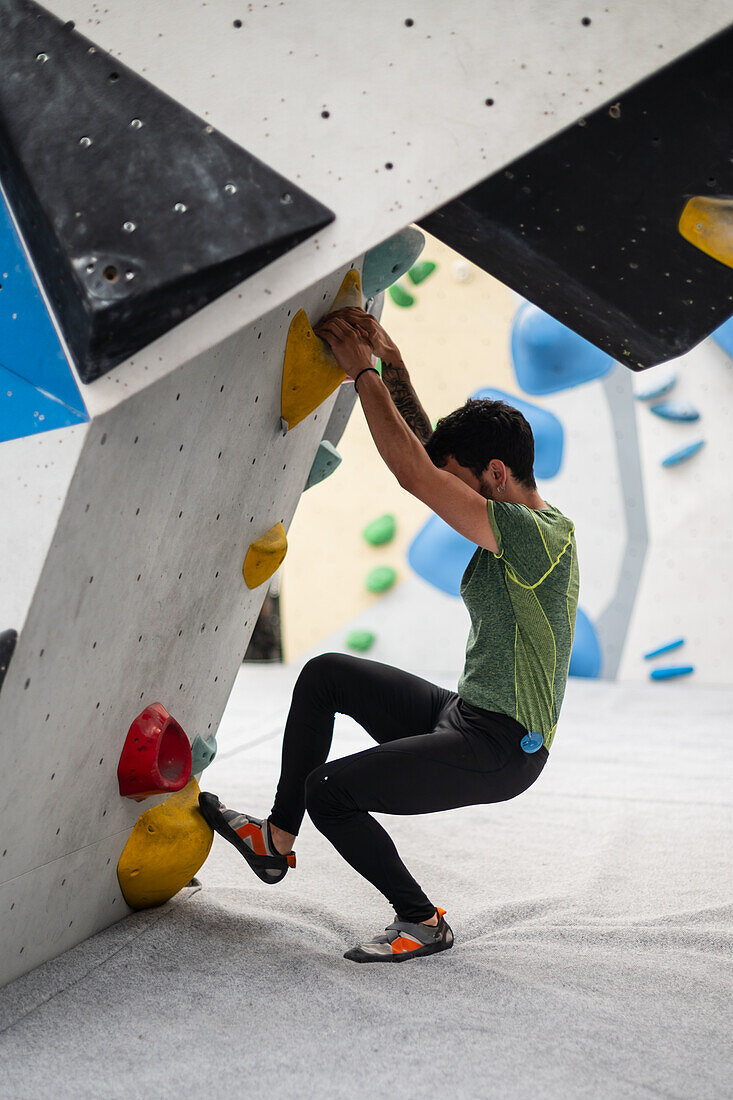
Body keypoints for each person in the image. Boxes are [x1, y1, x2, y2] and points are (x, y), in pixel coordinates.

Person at [199, 306, 579, 964]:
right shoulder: (512, 512)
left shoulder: (532, 536)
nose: (444, 496)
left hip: (501, 748)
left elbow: (414, 474)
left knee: (332, 792)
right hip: (463, 715)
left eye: (459, 481)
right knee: (326, 674)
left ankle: (421, 918)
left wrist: (362, 373)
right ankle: (274, 842)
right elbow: (429, 456)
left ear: (494, 473)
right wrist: (390, 355)